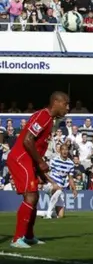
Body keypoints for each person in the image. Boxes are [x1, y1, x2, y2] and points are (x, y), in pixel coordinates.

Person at [8, 92, 70, 248]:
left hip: (29, 161)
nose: (68, 108)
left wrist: (39, 169)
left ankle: (28, 236)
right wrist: (41, 162)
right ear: (56, 102)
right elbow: (28, 140)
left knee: (33, 197)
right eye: (66, 104)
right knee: (31, 197)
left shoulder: (49, 120)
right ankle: (17, 238)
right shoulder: (43, 116)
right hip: (20, 158)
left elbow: (36, 144)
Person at [37, 144, 77, 219]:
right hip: (50, 185)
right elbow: (45, 173)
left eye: (66, 149)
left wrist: (74, 189)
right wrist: (53, 183)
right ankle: (48, 214)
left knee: (60, 216)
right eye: (63, 149)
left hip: (60, 187)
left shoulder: (71, 163)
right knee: (58, 189)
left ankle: (39, 213)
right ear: (60, 151)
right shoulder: (54, 160)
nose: (65, 151)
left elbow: (70, 178)